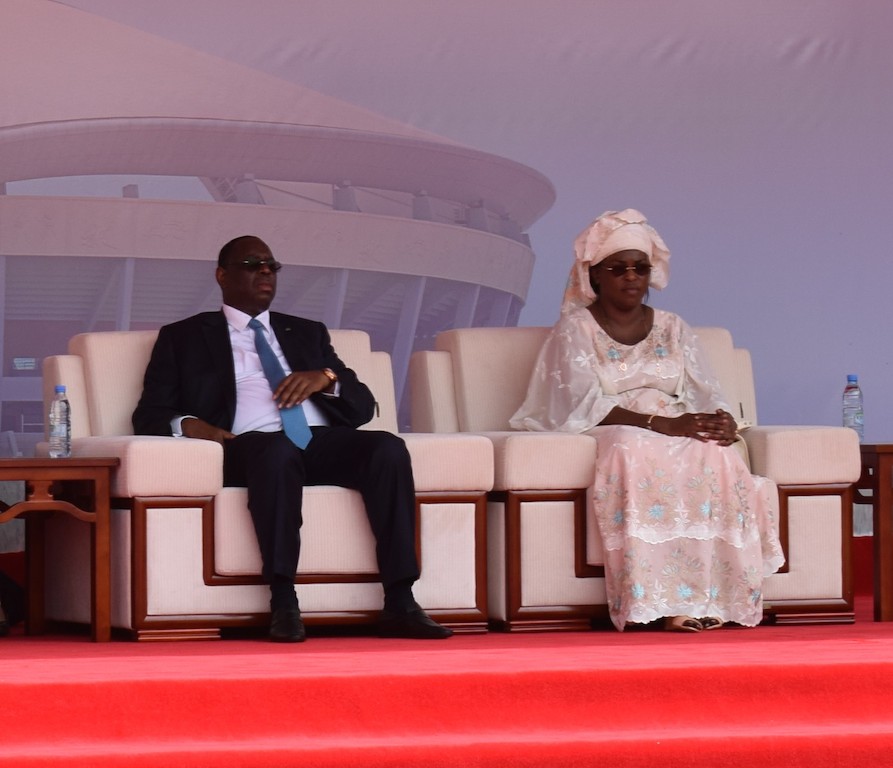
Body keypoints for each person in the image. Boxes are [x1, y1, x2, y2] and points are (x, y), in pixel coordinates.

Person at [133, 235, 452, 642]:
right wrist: (192, 425)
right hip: (245, 443)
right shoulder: (184, 336)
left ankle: (401, 599)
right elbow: (149, 413)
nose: (265, 271)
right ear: (222, 275)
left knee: (387, 447)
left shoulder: (306, 333)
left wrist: (326, 378)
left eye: (271, 265)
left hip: (317, 438)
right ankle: (283, 600)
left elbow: (361, 407)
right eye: (252, 264)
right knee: (277, 452)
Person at [510, 209, 784, 633]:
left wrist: (721, 423)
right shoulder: (576, 329)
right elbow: (583, 401)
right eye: (618, 268)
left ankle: (714, 600)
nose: (631, 276)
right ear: (595, 276)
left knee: (718, 455)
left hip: (671, 421)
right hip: (613, 425)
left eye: (640, 267)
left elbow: (704, 392)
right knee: (632, 448)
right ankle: (659, 606)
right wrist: (659, 424)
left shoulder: (674, 327)